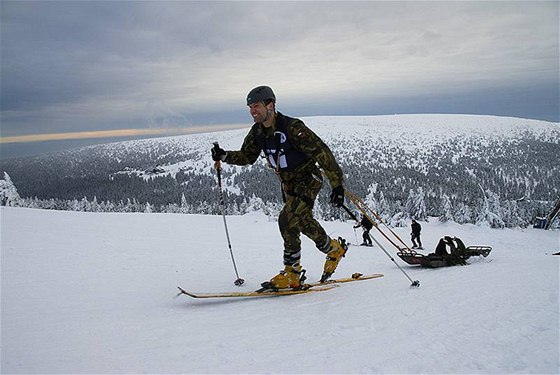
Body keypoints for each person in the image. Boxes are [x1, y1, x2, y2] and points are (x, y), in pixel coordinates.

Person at [211, 85, 346, 289]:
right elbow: (247, 157)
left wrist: (337, 185)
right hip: (288, 184)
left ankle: (292, 272)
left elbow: (321, 152)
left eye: (256, 106)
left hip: (308, 180)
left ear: (271, 105)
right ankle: (333, 249)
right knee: (302, 221)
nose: (252, 111)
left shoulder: (292, 127)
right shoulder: (258, 131)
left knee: (287, 218)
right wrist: (224, 156)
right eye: (250, 107)